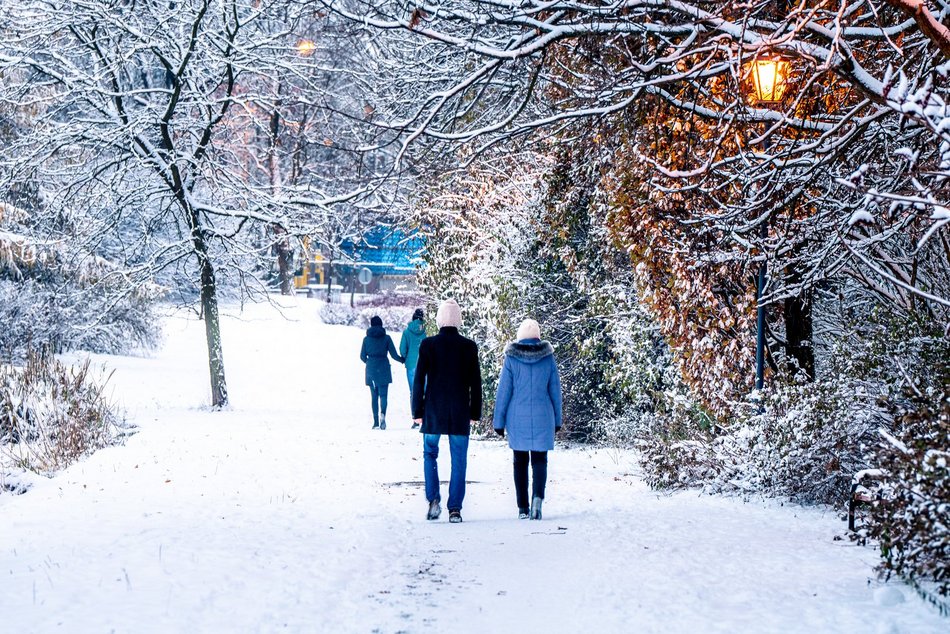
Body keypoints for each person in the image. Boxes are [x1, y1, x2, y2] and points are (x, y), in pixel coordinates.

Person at [412, 299, 482, 523]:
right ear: (459, 321)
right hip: (460, 410)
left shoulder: (428, 345)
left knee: (430, 453)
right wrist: (475, 413)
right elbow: (476, 383)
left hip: (433, 410)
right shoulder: (469, 347)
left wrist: (417, 410)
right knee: (459, 458)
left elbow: (418, 379)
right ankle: (455, 509)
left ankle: (433, 499)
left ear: (439, 320)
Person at [492, 318, 562, 520]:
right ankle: (538, 498)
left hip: (517, 417)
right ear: (538, 337)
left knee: (520, 461)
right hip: (543, 415)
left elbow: (504, 391)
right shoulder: (548, 359)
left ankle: (522, 507)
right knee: (540, 460)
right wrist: (557, 420)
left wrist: (499, 422)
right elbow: (555, 392)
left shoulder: (511, 359)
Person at [360, 315, 404, 430]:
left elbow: (362, 356)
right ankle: (383, 414)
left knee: (374, 396)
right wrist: (402, 360)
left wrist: (369, 363)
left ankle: (375, 422)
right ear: (381, 324)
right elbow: (394, 355)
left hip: (371, 369)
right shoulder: (387, 338)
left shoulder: (366, 339)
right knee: (383, 395)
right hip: (383, 367)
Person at [399, 308, 427, 428]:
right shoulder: (427, 331)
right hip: (426, 365)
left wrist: (406, 357)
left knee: (413, 392)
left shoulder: (407, 332)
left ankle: (416, 419)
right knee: (426, 392)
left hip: (411, 365)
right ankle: (425, 417)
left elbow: (402, 349)